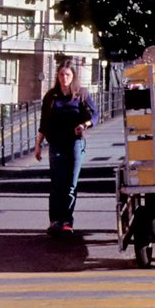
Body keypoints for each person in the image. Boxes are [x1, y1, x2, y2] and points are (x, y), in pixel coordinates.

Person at [34, 60, 99, 235]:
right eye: (61, 74)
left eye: (68, 75)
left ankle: (67, 221)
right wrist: (38, 145)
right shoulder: (51, 97)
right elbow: (44, 123)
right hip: (55, 143)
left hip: (75, 143)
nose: (64, 78)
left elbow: (95, 115)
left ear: (73, 76)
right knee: (56, 183)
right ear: (57, 76)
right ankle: (55, 221)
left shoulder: (81, 94)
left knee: (70, 184)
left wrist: (85, 125)